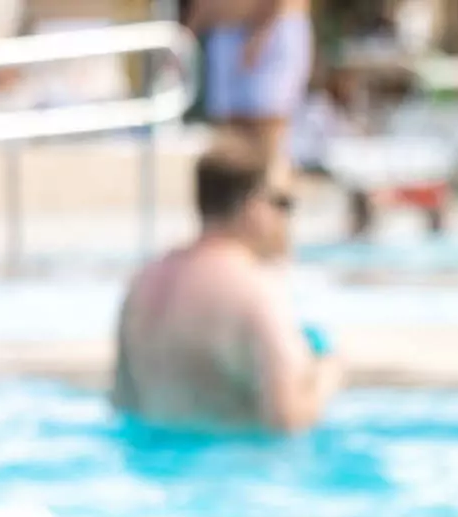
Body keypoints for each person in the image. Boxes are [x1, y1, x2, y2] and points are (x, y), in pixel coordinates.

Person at [111, 138, 341, 433]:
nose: (289, 219)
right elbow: (287, 418)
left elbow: (122, 404)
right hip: (235, 470)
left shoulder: (144, 282)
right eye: (284, 202)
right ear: (254, 207)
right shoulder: (257, 290)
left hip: (153, 470)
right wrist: (326, 374)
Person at [188, 0, 315, 176]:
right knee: (230, 138)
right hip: (225, 33)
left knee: (268, 135)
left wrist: (261, 34)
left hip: (270, 31)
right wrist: (190, 32)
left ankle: (270, 195)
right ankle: (239, 198)